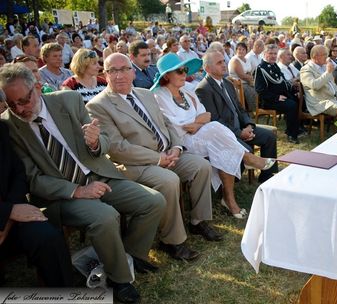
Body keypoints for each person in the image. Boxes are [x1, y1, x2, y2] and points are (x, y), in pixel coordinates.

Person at [0, 64, 166, 303]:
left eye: (24, 101)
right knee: (105, 217)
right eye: (11, 103)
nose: (19, 109)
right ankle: (120, 280)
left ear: (37, 88)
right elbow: (32, 179)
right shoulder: (8, 125)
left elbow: (104, 142)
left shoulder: (68, 100)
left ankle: (130, 257)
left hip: (99, 175)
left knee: (153, 201)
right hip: (61, 194)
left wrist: (96, 143)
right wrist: (77, 190)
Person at [86, 53, 223, 262]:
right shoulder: (98, 105)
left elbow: (167, 124)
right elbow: (117, 148)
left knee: (201, 166)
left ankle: (198, 221)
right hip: (135, 164)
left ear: (133, 72)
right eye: (113, 70)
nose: (119, 75)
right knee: (169, 180)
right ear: (105, 74)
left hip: (168, 153)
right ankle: (172, 241)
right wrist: (158, 158)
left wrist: (176, 147)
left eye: (124, 69)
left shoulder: (145, 93)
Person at [151, 54, 275, 218]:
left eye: (185, 70)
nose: (184, 74)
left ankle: (229, 199)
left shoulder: (187, 91)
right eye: (179, 71)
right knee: (216, 131)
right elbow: (177, 126)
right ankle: (247, 159)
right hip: (181, 142)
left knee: (221, 144)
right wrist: (197, 122)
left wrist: (196, 124)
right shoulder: (159, 97)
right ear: (167, 75)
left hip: (204, 135)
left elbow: (207, 115)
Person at [0, 117, 73, 287]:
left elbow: (17, 173)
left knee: (48, 237)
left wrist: (10, 214)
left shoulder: (1, 129)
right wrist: (5, 212)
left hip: (11, 213)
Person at [196, 51, 278, 183]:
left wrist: (249, 125)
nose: (224, 65)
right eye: (219, 63)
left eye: (224, 61)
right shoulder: (203, 89)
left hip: (240, 127)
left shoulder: (227, 83)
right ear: (207, 68)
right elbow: (215, 121)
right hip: (224, 135)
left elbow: (240, 109)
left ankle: (267, 177)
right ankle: (232, 181)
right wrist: (240, 134)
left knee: (269, 137)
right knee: (247, 149)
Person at [254, 44, 301, 143]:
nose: (273, 56)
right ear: (265, 54)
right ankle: (291, 135)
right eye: (270, 53)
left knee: (298, 99)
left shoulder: (274, 65)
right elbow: (260, 90)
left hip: (280, 96)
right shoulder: (261, 68)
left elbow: (282, 82)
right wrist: (276, 97)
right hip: (268, 100)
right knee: (291, 105)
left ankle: (296, 127)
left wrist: (293, 90)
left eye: (275, 54)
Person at [300, 45, 337, 120]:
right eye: (324, 54)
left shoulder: (324, 66)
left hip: (332, 98)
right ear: (315, 56)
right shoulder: (306, 69)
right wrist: (328, 72)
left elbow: (333, 84)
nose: (327, 57)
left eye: (327, 54)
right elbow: (314, 85)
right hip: (319, 102)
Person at [228, 42, 256, 111]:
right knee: (251, 90)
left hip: (247, 80)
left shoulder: (246, 59)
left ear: (246, 51)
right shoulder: (235, 60)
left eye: (243, 49)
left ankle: (259, 107)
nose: (241, 51)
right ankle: (252, 109)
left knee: (259, 87)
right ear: (236, 50)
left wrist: (251, 79)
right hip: (238, 83)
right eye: (239, 49)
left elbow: (249, 71)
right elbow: (241, 75)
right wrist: (251, 79)